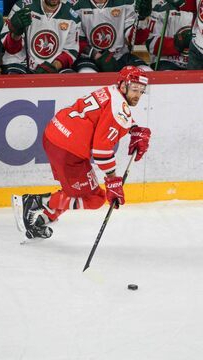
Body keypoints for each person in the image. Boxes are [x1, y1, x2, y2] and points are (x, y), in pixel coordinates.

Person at [12, 66, 152, 240]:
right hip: (68, 151)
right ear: (123, 86)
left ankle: (42, 220)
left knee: (74, 189)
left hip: (54, 134)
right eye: (134, 89)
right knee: (95, 198)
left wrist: (134, 128)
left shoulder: (111, 91)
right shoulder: (119, 108)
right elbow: (101, 151)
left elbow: (109, 114)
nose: (138, 94)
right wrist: (112, 180)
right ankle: (35, 202)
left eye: (141, 90)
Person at [0, 0, 80, 74]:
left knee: (72, 80)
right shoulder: (22, 6)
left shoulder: (72, 17)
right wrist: (16, 33)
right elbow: (10, 49)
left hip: (52, 68)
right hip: (19, 63)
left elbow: (71, 51)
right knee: (15, 80)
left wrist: (53, 66)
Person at [71, 0, 150, 73]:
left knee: (146, 72)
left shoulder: (125, 2)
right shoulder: (77, 6)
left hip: (120, 56)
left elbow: (134, 40)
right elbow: (76, 41)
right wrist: (96, 55)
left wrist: (141, 20)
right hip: (89, 58)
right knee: (87, 74)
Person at [144, 0, 195, 70]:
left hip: (195, 63)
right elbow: (151, 44)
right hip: (167, 61)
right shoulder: (161, 8)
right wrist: (177, 43)